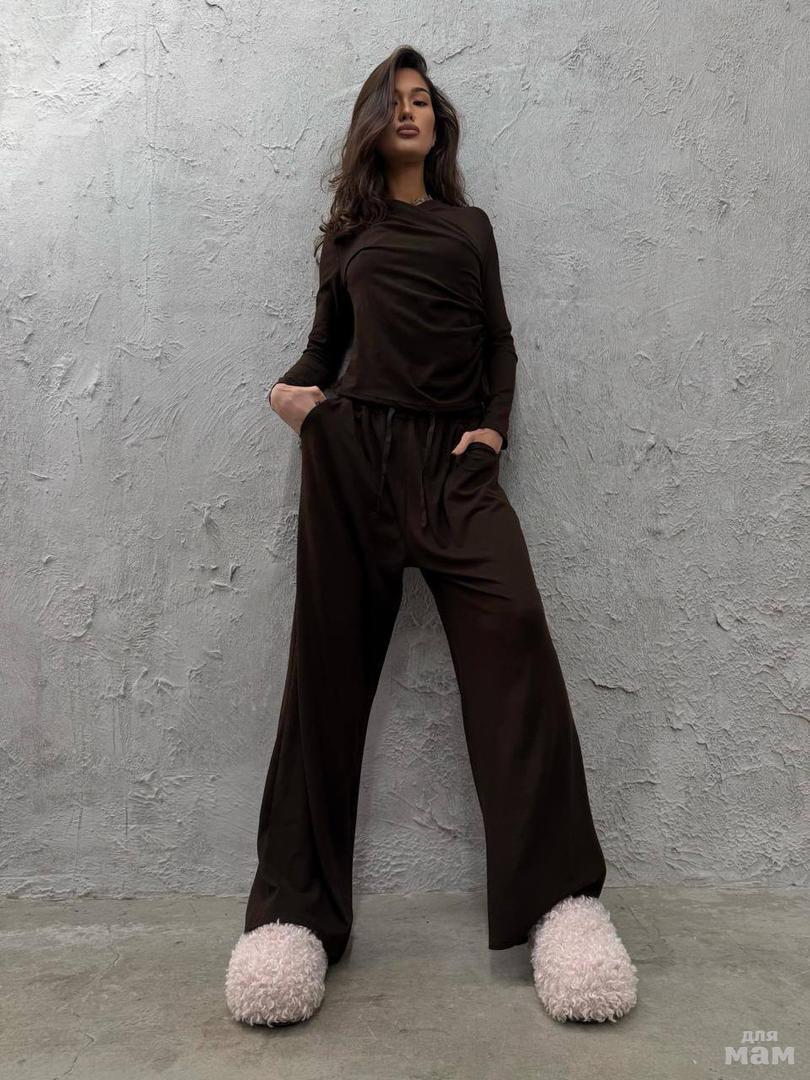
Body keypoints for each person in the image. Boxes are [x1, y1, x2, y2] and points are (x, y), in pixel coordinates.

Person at [225, 45, 638, 1028]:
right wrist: (294, 402)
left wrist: (492, 430)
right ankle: (291, 918)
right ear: (373, 123)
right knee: (323, 676)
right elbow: (324, 350)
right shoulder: (349, 238)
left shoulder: (469, 227)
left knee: (516, 641)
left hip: (454, 470)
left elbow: (499, 341)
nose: (410, 111)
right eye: (395, 101)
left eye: (423, 101)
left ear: (438, 124)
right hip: (356, 460)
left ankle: (561, 908)